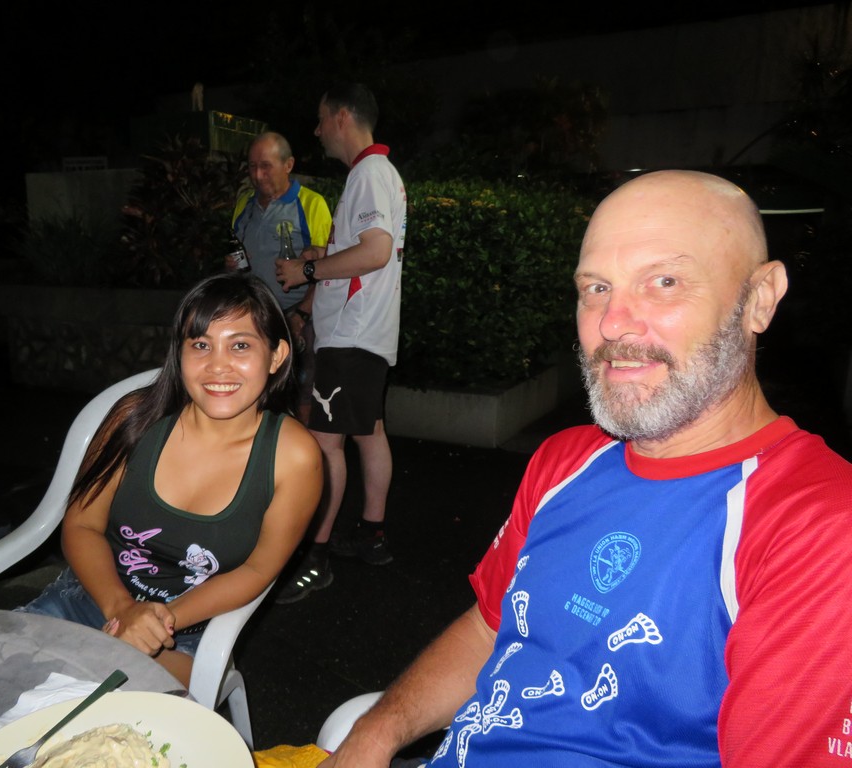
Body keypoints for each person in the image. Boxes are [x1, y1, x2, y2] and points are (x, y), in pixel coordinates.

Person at [320, 170, 852, 767]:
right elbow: (489, 630)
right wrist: (377, 733)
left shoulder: (819, 525)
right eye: (596, 288)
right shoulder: (566, 460)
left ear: (760, 298)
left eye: (665, 281)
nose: (612, 323)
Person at [19, 272, 323, 686]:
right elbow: (82, 524)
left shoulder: (294, 457)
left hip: (187, 632)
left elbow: (257, 569)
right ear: (178, 353)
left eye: (240, 345)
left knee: (105, 717)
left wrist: (156, 622)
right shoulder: (134, 420)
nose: (218, 365)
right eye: (200, 345)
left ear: (276, 356)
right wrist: (122, 610)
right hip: (90, 596)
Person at [275, 83, 407, 603]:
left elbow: (375, 252)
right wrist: (320, 265)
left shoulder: (369, 173)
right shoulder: (377, 174)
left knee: (324, 444)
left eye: (321, 119)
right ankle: (372, 536)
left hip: (352, 336)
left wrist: (307, 269)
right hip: (364, 333)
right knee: (369, 434)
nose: (316, 130)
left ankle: (316, 557)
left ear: (342, 118)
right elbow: (364, 253)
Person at [230, 131, 332, 424]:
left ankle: (304, 450)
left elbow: (329, 269)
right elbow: (240, 256)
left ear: (288, 165)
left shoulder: (311, 204)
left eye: (266, 166)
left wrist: (301, 315)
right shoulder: (244, 204)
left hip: (300, 320)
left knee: (303, 398)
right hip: (256, 319)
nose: (257, 175)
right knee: (258, 394)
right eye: (252, 166)